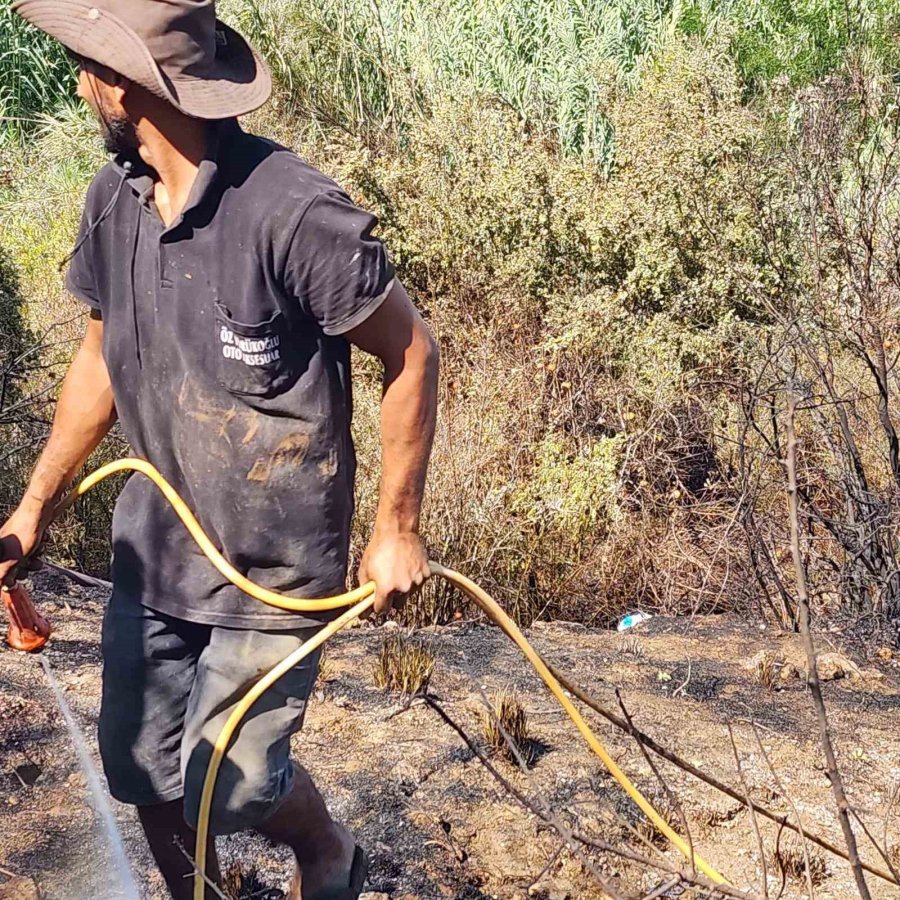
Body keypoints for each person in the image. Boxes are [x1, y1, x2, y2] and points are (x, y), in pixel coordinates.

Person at [0, 2, 439, 898]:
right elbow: (99, 359)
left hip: (273, 566)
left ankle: (328, 853)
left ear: (125, 86)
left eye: (90, 63)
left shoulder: (291, 210)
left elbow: (412, 349)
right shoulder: (110, 198)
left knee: (228, 788)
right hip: (155, 550)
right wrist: (34, 506)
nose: (82, 78)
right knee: (142, 774)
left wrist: (397, 525)